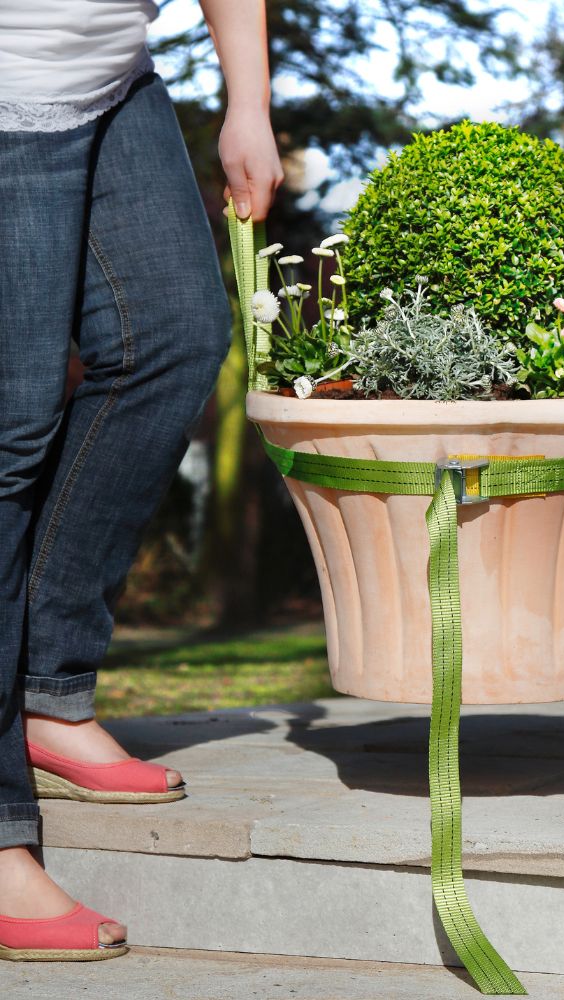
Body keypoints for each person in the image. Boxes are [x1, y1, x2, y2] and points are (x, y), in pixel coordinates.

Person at [0, 0, 282, 960]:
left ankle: (49, 690)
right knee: (11, 429)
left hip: (114, 83)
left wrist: (248, 102)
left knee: (175, 339)